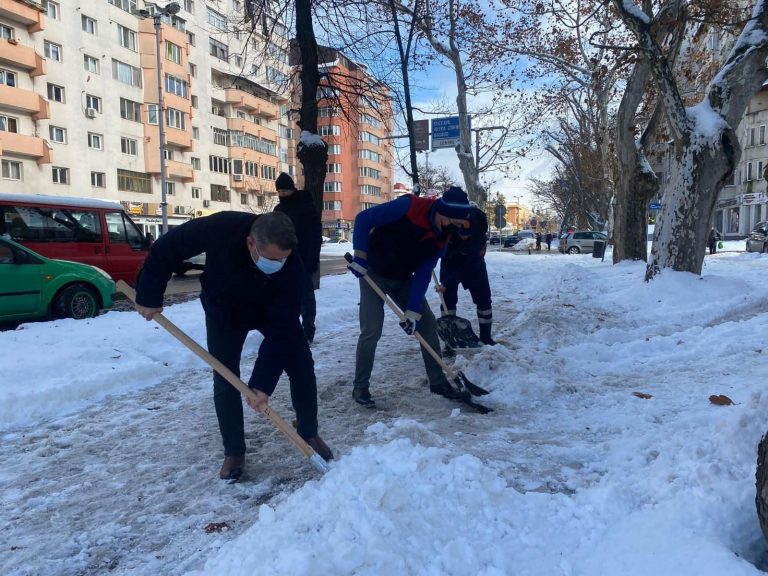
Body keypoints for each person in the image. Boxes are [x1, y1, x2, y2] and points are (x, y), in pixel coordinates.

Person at [134, 211, 333, 480]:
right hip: (224, 312)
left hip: (271, 312)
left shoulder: (292, 268)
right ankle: (234, 451)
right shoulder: (221, 227)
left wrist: (261, 385)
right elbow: (167, 249)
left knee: (301, 363)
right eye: (272, 259)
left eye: (282, 259)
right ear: (251, 243)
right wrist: (148, 294)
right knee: (226, 377)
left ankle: (308, 430)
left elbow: (283, 329)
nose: (278, 264)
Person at [348, 186, 473, 408]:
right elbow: (363, 218)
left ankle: (438, 381)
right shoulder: (408, 206)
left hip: (403, 279)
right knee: (371, 330)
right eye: (451, 220)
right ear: (442, 211)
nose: (452, 226)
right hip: (373, 273)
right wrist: (360, 255)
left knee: (427, 324)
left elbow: (423, 274)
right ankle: (360, 387)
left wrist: (412, 311)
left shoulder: (442, 239)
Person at [273, 172, 322, 343]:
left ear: (292, 189)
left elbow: (315, 233)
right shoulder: (278, 210)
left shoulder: (305, 205)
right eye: (279, 192)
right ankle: (288, 329)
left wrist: (313, 258)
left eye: (285, 191)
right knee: (285, 295)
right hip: (283, 260)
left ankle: (308, 330)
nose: (282, 195)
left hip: (304, 258)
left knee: (305, 297)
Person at [438, 205, 495, 345]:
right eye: (462, 233)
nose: (464, 236)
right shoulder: (448, 226)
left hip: (474, 265)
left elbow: (471, 264)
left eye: (468, 234)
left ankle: (486, 338)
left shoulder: (479, 232)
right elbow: (439, 249)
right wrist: (447, 283)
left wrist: (449, 281)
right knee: (447, 301)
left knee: (484, 299)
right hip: (449, 263)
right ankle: (450, 342)